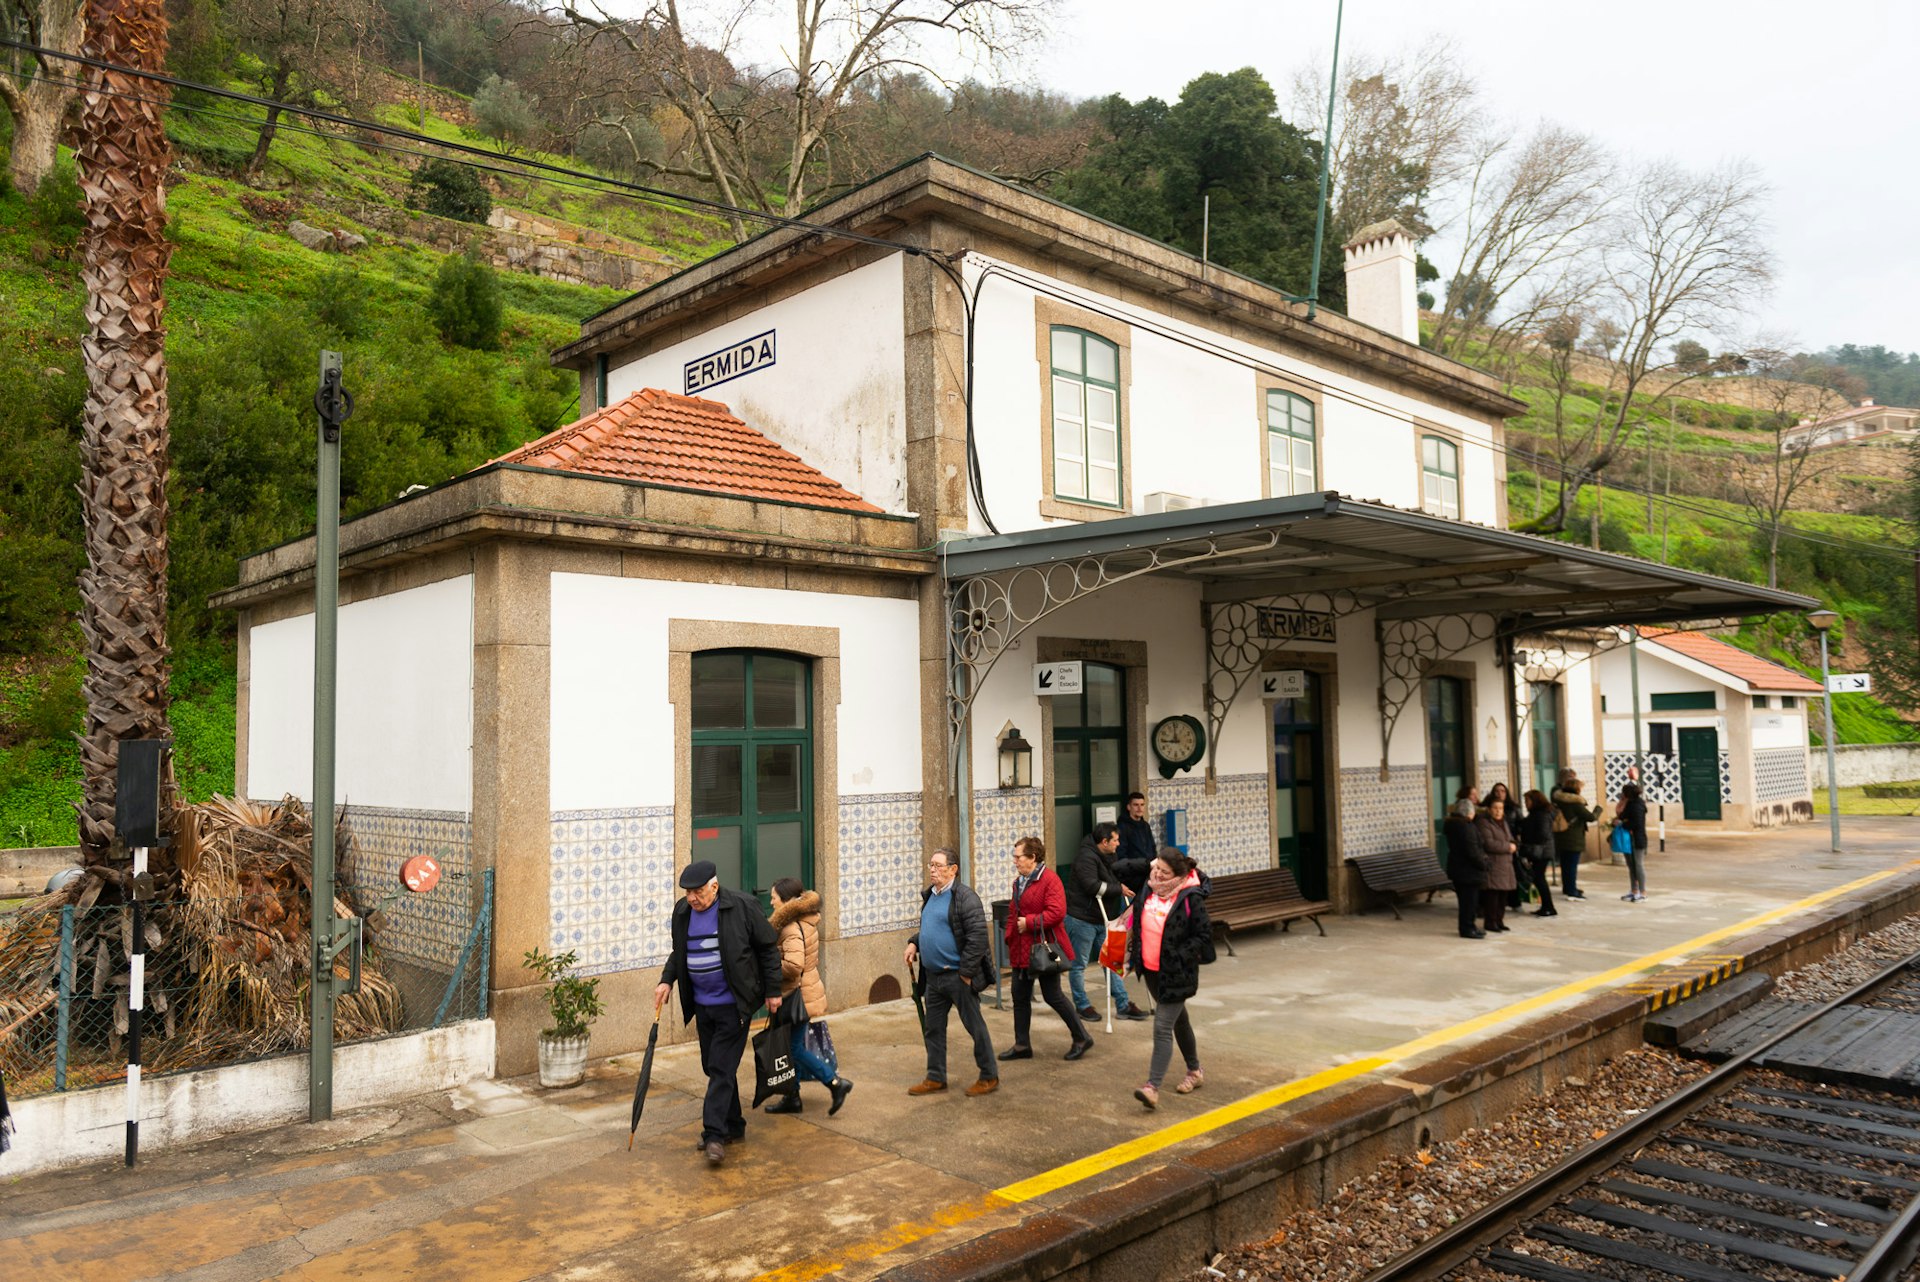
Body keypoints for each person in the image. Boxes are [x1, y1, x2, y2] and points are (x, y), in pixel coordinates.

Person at [654, 860, 783, 1166]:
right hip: (702, 1004)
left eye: (698, 892)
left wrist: (773, 991)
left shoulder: (741, 906)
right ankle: (735, 1125)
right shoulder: (682, 913)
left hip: (734, 1004)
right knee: (713, 1067)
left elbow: (768, 948)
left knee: (721, 1068)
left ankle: (714, 1134)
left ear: (714, 886)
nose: (692, 899)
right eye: (687, 893)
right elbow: (679, 952)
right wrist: (665, 980)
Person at [904, 847, 999, 1097]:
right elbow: (931, 927)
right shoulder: (932, 896)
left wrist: (966, 973)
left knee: (974, 1026)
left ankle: (989, 1075)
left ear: (953, 869)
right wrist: (914, 942)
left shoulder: (965, 898)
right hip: (933, 978)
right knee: (933, 1029)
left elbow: (978, 938)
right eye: (930, 865)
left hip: (958, 976)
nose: (933, 870)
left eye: (938, 865)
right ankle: (935, 1077)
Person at [1127, 848, 1209, 1109]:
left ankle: (1152, 1087)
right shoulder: (1150, 888)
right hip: (1150, 970)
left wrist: (1178, 955)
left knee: (1162, 1027)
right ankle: (1195, 1071)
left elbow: (1203, 935)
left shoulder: (1190, 897)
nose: (1158, 874)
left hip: (1177, 973)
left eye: (1164, 871)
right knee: (1179, 1020)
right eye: (1157, 868)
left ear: (1178, 874)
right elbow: (1119, 869)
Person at [764, 878, 854, 1117]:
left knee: (793, 1049)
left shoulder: (791, 927)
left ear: (785, 900)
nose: (771, 901)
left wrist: (768, 966)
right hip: (805, 992)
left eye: (774, 897)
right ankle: (792, 1096)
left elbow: (794, 965)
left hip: (796, 995)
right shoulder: (806, 921)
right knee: (789, 1047)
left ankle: (834, 1083)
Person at [1000, 836, 1094, 1063]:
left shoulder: (1050, 880)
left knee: (1053, 996)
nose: (1015, 861)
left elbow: (1057, 912)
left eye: (1018, 857)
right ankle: (1022, 1044)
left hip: (1044, 949)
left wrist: (1029, 922)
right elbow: (1013, 912)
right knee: (1019, 996)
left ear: (1032, 858)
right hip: (1021, 949)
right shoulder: (1018, 882)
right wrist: (1010, 934)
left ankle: (1082, 1037)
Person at [1065, 823, 1151, 1022]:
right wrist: (1118, 889)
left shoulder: (1108, 855)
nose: (1118, 844)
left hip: (1104, 918)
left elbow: (1115, 877)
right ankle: (1082, 1005)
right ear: (1104, 842)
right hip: (1082, 919)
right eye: (1115, 840)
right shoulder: (1086, 857)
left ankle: (1123, 1004)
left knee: (1111, 961)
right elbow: (1091, 885)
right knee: (1079, 965)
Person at [1551, 774, 1603, 900]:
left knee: (1565, 864)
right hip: (1574, 838)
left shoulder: (1558, 801)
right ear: (1577, 789)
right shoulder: (1575, 803)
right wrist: (1598, 809)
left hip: (1560, 836)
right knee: (1572, 865)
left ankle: (1567, 887)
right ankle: (1572, 890)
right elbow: (1591, 817)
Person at [1442, 799, 1487, 939]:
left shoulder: (1454, 825)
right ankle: (1468, 928)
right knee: (1469, 902)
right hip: (1468, 871)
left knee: (1466, 902)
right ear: (1469, 813)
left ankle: (1469, 926)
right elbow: (1472, 851)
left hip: (1459, 869)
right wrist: (1485, 864)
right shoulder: (1466, 827)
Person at [1474, 796, 1518, 933]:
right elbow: (1489, 844)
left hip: (1506, 864)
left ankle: (1499, 920)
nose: (1498, 811)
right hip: (1494, 864)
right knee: (1493, 895)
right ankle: (1490, 922)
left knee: (1503, 896)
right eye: (1495, 808)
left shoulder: (1503, 822)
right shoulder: (1484, 823)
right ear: (1489, 809)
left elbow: (1510, 838)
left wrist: (1514, 844)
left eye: (1501, 808)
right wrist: (1508, 847)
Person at [1484, 782, 1525, 908]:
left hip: (1510, 845)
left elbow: (1520, 825)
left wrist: (1515, 841)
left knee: (1512, 875)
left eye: (1502, 791)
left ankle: (1514, 901)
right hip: (1497, 848)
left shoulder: (1514, 808)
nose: (1500, 793)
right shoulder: (1487, 812)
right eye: (1497, 791)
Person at [1519, 790, 1558, 917]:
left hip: (1541, 851)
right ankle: (1546, 906)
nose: (1525, 804)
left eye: (1527, 801)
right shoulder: (1535, 814)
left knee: (1539, 878)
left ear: (1535, 801)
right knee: (1538, 878)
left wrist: (1529, 840)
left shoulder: (1541, 814)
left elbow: (1543, 834)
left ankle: (1548, 906)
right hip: (1539, 850)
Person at [1615, 782, 1649, 901]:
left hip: (1636, 838)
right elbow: (1620, 814)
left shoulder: (1637, 805)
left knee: (1638, 865)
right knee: (1631, 865)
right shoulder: (1629, 803)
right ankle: (1634, 890)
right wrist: (1622, 803)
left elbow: (1636, 822)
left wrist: (1624, 824)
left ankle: (1643, 892)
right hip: (1628, 839)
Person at [1117, 792, 1158, 869]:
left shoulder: (1146, 825)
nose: (1139, 808)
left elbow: (1152, 847)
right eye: (1136, 805)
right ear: (1129, 807)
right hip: (1133, 871)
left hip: (1149, 868)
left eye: (1142, 805)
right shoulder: (1122, 827)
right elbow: (1121, 853)